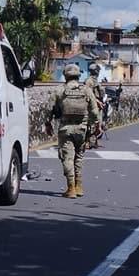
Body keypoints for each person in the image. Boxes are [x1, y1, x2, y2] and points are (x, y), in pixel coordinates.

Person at [46, 64, 100, 198]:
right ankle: (79, 186)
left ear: (65, 75)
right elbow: (94, 111)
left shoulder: (59, 90)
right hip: (82, 129)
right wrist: (96, 126)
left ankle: (70, 188)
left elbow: (49, 109)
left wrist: (48, 124)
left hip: (65, 129)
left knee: (67, 158)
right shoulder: (86, 90)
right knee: (79, 157)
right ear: (78, 75)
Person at [84, 63, 105, 149]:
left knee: (98, 124)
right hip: (92, 105)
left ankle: (94, 141)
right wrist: (96, 101)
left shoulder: (95, 80)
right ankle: (87, 142)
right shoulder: (89, 81)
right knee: (91, 124)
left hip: (98, 104)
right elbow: (88, 94)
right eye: (98, 71)